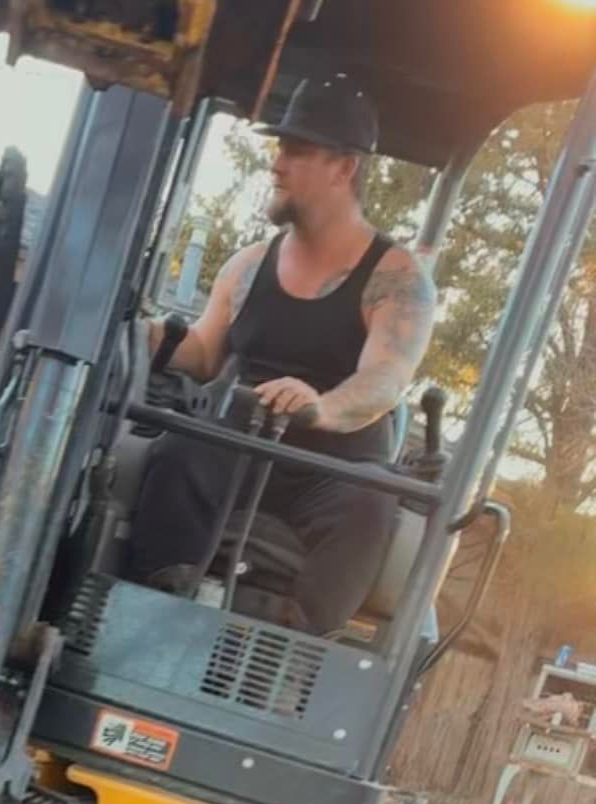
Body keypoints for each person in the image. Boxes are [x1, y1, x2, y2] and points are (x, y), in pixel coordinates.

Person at [130, 74, 438, 636]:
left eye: (296, 150)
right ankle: (152, 616)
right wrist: (147, 335)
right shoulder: (249, 265)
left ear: (344, 168)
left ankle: (289, 647)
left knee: (370, 503)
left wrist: (320, 406)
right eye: (279, 147)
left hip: (332, 472)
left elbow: (385, 378)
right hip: (239, 445)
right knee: (178, 451)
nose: (276, 164)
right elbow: (204, 352)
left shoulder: (398, 279)